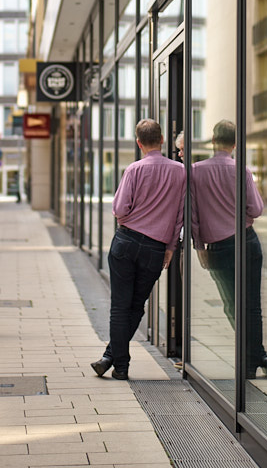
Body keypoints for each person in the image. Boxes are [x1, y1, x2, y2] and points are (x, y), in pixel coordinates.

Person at [91, 118, 185, 380]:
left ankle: (117, 363)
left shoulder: (134, 170)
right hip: (155, 249)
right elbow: (180, 215)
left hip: (127, 242)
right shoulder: (180, 171)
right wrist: (169, 247)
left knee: (120, 307)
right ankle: (114, 358)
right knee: (137, 306)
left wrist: (127, 220)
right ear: (163, 140)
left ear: (139, 142)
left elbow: (119, 210)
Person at [191, 119, 267, 379]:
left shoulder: (195, 171)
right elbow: (257, 209)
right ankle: (256, 357)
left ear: (213, 141)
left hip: (218, 248)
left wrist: (199, 246)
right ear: (235, 144)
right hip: (247, 241)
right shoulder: (242, 170)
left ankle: (254, 356)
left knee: (231, 304)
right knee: (252, 304)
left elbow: (192, 214)